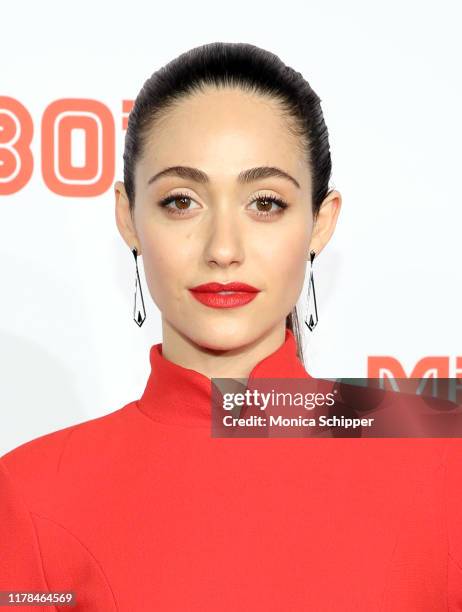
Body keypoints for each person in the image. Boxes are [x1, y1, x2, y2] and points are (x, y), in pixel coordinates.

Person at [1, 42, 461, 611]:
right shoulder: (31, 493)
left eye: (265, 203)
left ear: (321, 221)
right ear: (128, 217)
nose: (223, 249)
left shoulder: (443, 467)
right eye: (181, 201)